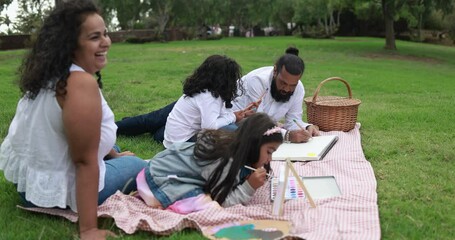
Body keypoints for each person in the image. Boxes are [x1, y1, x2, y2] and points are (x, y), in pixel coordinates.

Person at [0, 1, 147, 239]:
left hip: (30, 184)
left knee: (116, 150)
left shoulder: (48, 73)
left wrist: (114, 154)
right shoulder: (79, 84)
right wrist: (88, 229)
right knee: (140, 165)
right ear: (70, 44)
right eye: (94, 37)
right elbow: (83, 161)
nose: (106, 42)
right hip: (57, 194)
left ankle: (115, 155)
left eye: (106, 34)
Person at [136, 113, 283, 213]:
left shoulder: (240, 155)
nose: (270, 159)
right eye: (269, 152)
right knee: (210, 207)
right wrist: (248, 187)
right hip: (158, 179)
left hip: (164, 168)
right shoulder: (226, 161)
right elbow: (222, 201)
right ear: (253, 144)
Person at [231, 47, 320, 143]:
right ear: (275, 71)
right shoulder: (256, 81)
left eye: (292, 85)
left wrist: (306, 127)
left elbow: (293, 120)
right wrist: (287, 135)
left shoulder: (299, 88)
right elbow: (257, 123)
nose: (286, 89)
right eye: (283, 83)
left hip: (264, 130)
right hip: (231, 127)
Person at [163, 54, 248, 148]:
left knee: (233, 128)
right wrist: (232, 117)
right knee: (237, 134)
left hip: (173, 141)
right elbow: (209, 127)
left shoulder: (202, 89)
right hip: (181, 145)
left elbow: (218, 115)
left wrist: (233, 116)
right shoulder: (209, 97)